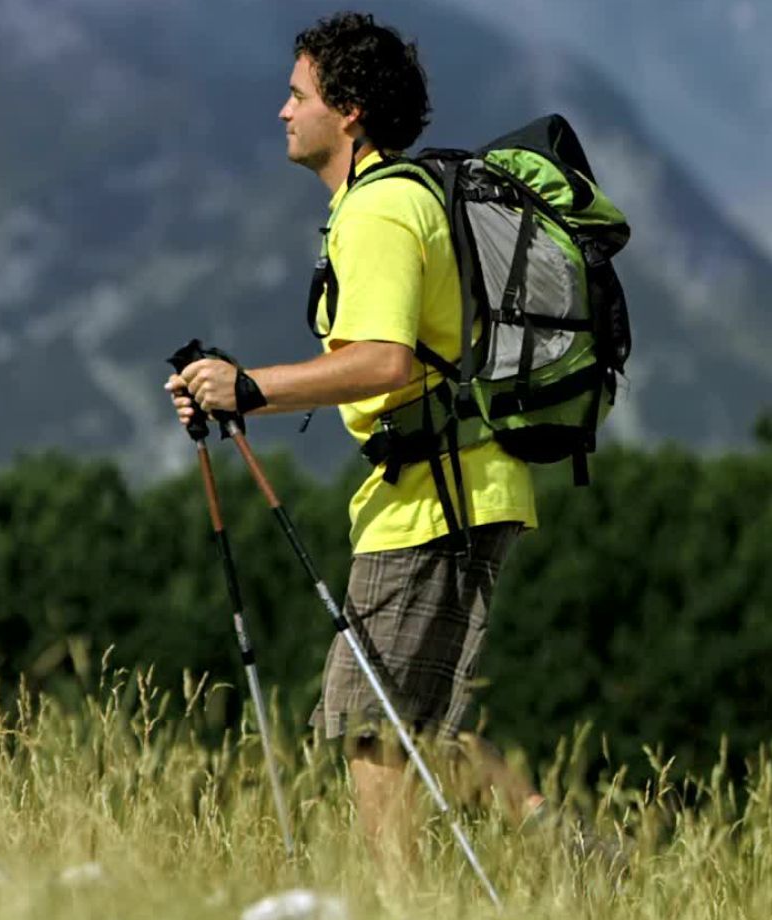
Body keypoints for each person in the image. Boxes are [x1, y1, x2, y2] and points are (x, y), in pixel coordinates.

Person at [167, 12, 596, 864]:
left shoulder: (384, 211)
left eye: (299, 96)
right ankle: (569, 850)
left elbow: (384, 363)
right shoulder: (383, 203)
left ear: (350, 109)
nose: (283, 112)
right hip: (444, 485)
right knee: (416, 715)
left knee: (371, 723)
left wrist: (249, 387)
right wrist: (238, 397)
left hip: (439, 495)